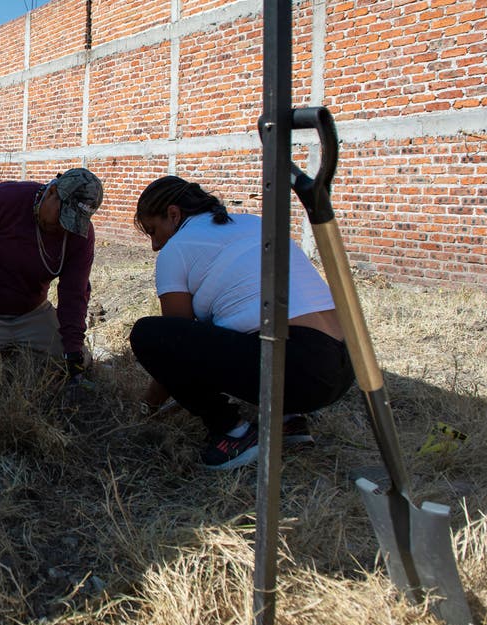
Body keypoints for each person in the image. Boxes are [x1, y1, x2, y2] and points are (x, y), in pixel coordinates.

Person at [128, 176, 354, 470]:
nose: (155, 245)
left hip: (298, 368)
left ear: (173, 214)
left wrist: (149, 406)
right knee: (246, 322)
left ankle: (232, 432)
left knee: (148, 334)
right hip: (347, 364)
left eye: (154, 231)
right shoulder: (253, 222)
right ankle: (288, 421)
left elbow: (175, 344)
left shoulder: (176, 249)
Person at [0, 167, 103, 378]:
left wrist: (73, 351)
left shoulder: (81, 237)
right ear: (51, 192)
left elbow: (74, 293)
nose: (64, 229)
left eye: (72, 224)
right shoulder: (9, 198)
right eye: (62, 218)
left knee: (72, 363)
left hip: (31, 314)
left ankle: (8, 348)